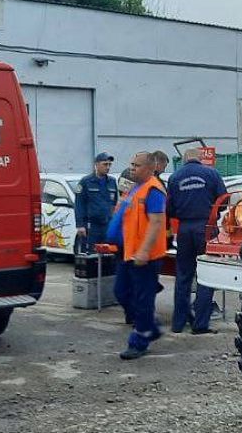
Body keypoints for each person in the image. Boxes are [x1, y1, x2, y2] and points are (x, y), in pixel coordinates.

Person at [115, 151, 168, 360]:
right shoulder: (135, 188)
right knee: (121, 292)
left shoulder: (154, 190)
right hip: (130, 253)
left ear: (149, 168)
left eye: (136, 165)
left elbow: (156, 223)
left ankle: (139, 342)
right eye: (131, 164)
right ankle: (151, 328)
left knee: (142, 301)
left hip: (146, 256)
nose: (132, 168)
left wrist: (145, 250)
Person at [166, 149, 227, 334]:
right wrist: (211, 213)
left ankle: (178, 323)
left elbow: (169, 208)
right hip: (206, 228)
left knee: (183, 275)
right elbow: (224, 199)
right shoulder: (212, 174)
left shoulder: (175, 177)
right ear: (200, 159)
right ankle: (200, 324)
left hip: (184, 229)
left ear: (184, 159)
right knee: (206, 276)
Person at [74, 153, 117, 253]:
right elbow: (79, 204)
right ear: (96, 164)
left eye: (109, 165)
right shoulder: (86, 181)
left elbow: (114, 204)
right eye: (105, 164)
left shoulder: (112, 181)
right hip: (92, 226)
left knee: (108, 254)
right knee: (91, 255)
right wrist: (80, 225)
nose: (108, 167)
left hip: (107, 224)